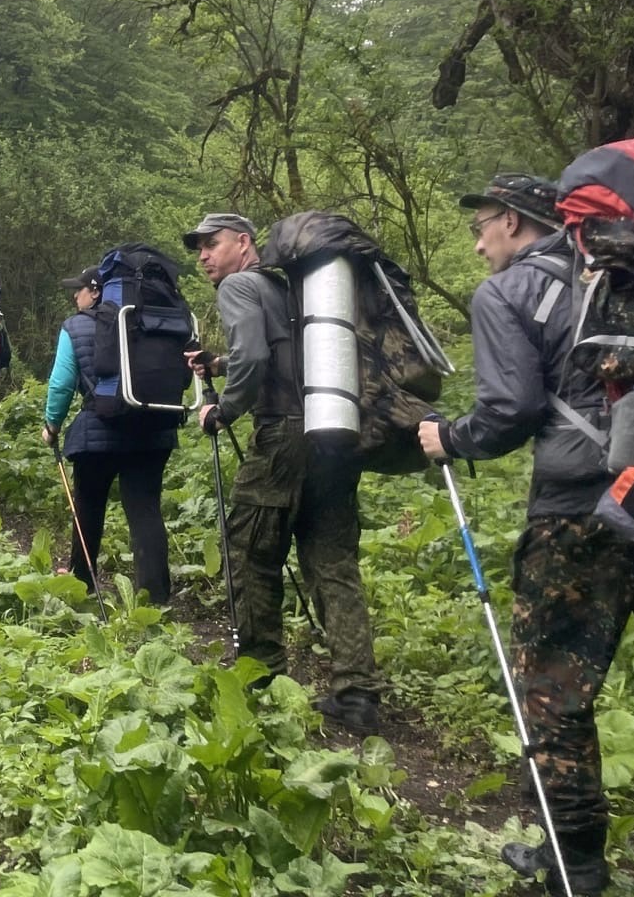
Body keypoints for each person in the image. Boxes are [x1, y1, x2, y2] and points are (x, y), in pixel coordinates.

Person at [420, 174, 634, 895]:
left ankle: (576, 864)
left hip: (578, 513)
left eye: (482, 225)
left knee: (556, 692)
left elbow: (508, 410)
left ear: (514, 221)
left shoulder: (506, 295)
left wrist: (449, 436)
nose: (477, 243)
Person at [185, 211, 382, 736]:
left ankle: (259, 676)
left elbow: (253, 358)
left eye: (212, 244)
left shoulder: (240, 286)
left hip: (283, 438)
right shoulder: (290, 287)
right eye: (198, 247)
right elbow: (284, 353)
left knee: (249, 550)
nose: (203, 255)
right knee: (333, 560)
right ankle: (357, 692)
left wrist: (221, 408)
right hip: (335, 431)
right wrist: (220, 362)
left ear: (244, 243)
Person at [42, 263, 176, 603]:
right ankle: (155, 598)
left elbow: (60, 384)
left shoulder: (75, 327)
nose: (75, 295)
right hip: (152, 427)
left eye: (80, 288)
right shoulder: (151, 322)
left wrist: (52, 425)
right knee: (145, 510)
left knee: (88, 504)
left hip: (98, 431)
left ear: (97, 291)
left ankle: (82, 582)